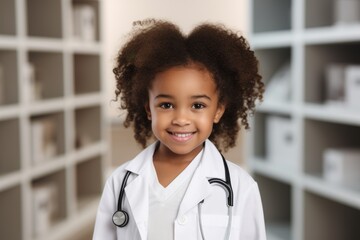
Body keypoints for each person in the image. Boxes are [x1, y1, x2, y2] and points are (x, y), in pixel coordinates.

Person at [93, 19, 266, 240]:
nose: (181, 119)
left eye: (198, 105)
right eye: (166, 105)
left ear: (218, 111)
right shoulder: (120, 182)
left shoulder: (242, 186)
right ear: (149, 109)